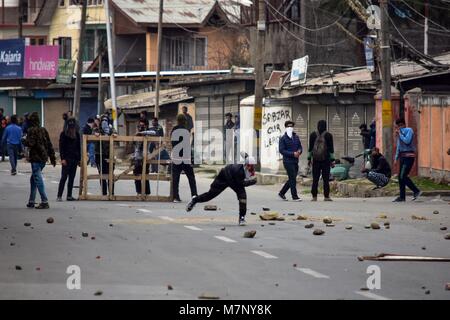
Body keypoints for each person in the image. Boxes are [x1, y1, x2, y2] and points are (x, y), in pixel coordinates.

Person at [186, 153, 257, 225]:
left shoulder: (249, 168)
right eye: (249, 166)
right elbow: (241, 184)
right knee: (210, 194)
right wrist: (252, 182)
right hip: (225, 176)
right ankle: (194, 200)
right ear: (246, 165)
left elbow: (245, 157)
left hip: (235, 179)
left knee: (243, 197)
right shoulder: (239, 171)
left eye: (252, 166)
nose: (250, 168)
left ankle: (242, 217)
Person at [23, 112, 56, 209]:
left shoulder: (31, 130)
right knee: (33, 178)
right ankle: (31, 201)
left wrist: (23, 140)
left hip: (36, 158)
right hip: (43, 158)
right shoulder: (43, 130)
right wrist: (52, 158)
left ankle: (44, 201)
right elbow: (49, 144)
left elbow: (31, 143)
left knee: (37, 178)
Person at [393, 118, 421, 202]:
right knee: (400, 177)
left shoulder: (409, 130)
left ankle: (416, 191)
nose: (397, 128)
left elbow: (407, 141)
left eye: (398, 126)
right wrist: (396, 157)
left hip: (409, 156)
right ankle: (402, 197)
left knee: (403, 176)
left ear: (402, 124)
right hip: (402, 156)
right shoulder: (399, 133)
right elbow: (399, 145)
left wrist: (400, 134)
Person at [171, 114, 198, 203]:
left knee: (176, 178)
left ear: (177, 120)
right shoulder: (186, 130)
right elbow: (187, 145)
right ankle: (194, 195)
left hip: (176, 156)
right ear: (184, 121)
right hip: (185, 157)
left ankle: (176, 197)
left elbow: (172, 143)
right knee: (191, 177)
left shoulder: (174, 130)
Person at [308, 120, 335, 202]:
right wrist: (332, 160)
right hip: (326, 160)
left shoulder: (313, 135)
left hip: (315, 160)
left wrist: (309, 159)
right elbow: (331, 149)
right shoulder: (328, 135)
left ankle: (314, 196)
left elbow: (310, 149)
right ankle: (326, 196)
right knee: (326, 179)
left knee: (315, 179)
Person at [57, 118, 81, 201]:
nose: (72, 128)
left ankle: (69, 196)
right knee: (63, 178)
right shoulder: (63, 134)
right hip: (66, 159)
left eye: (73, 126)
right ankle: (59, 196)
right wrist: (62, 159)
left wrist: (79, 159)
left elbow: (78, 147)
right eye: (70, 126)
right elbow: (61, 147)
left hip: (74, 159)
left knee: (72, 178)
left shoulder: (77, 134)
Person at [278, 120, 302, 201]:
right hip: (287, 161)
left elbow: (300, 147)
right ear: (285, 127)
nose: (290, 128)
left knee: (292, 178)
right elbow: (282, 150)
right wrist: (292, 154)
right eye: (288, 126)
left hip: (295, 161)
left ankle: (282, 193)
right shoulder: (283, 139)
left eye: (291, 126)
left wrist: (299, 151)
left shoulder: (296, 137)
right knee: (292, 178)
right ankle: (294, 196)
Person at [93, 114, 115, 196]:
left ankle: (111, 192)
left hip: (109, 154)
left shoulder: (111, 129)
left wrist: (114, 134)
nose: (104, 122)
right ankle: (104, 193)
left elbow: (115, 132)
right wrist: (96, 133)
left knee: (110, 173)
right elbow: (94, 132)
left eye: (106, 120)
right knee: (102, 174)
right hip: (99, 154)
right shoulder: (97, 129)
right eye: (103, 121)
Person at [133, 119, 151, 196]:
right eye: (139, 126)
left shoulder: (148, 134)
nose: (140, 127)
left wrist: (143, 133)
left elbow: (154, 133)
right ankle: (139, 192)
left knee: (145, 175)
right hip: (137, 157)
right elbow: (134, 145)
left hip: (145, 157)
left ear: (146, 126)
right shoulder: (136, 135)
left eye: (142, 126)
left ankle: (146, 192)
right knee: (136, 175)